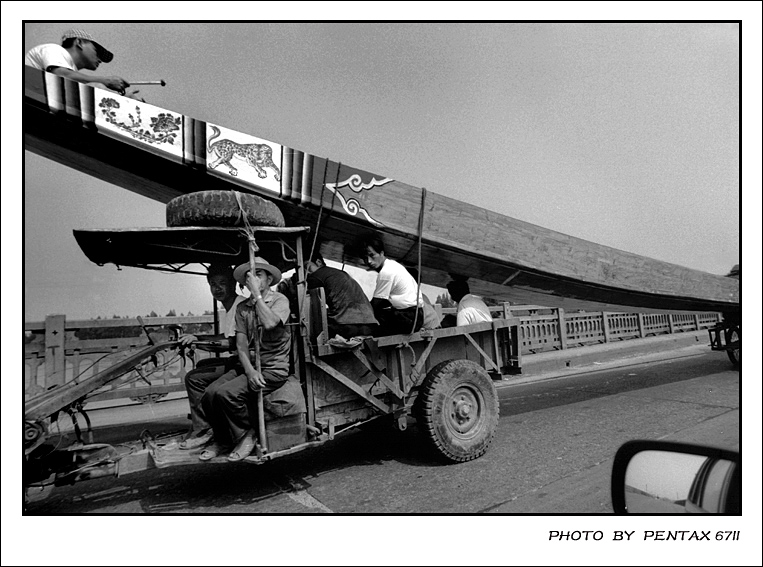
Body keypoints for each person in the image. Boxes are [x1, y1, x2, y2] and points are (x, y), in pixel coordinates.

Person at [198, 257, 292, 462]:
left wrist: (257, 296)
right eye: (250, 275)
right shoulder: (243, 308)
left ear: (268, 279)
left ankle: (247, 434)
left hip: (273, 369)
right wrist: (250, 371)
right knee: (210, 393)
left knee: (226, 394)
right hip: (250, 367)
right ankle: (222, 439)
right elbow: (240, 346)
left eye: (258, 274)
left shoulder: (279, 301)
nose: (253, 278)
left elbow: (270, 323)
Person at [177, 264, 247, 450]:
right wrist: (197, 338)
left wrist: (197, 341)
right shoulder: (229, 306)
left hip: (243, 361)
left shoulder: (240, 305)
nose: (217, 289)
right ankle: (208, 418)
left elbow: (231, 343)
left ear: (233, 284)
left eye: (222, 283)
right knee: (202, 364)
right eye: (213, 284)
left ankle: (204, 430)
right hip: (237, 358)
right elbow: (223, 337)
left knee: (193, 378)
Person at [25, 29, 142, 100]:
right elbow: (61, 76)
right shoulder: (54, 49)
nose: (100, 60)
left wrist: (122, 99)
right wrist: (104, 81)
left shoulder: (70, 71)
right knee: (96, 87)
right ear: (79, 42)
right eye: (97, 51)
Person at [305, 252, 379, 339]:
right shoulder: (338, 273)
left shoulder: (317, 275)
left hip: (347, 326)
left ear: (318, 262)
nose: (306, 272)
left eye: (307, 267)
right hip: (370, 325)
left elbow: (303, 295)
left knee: (313, 330)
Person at [361, 236, 424, 336]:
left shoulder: (386, 272)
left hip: (410, 319)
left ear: (381, 253)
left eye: (372, 255)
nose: (368, 261)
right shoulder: (393, 264)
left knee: (370, 323)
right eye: (365, 258)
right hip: (416, 316)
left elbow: (376, 304)